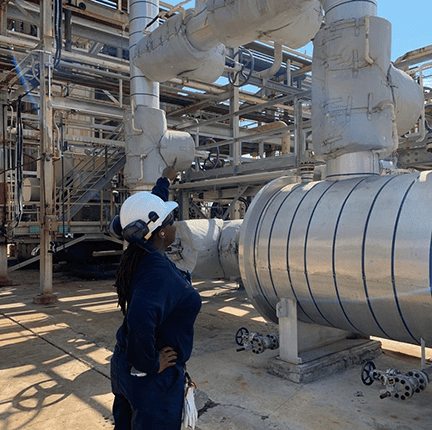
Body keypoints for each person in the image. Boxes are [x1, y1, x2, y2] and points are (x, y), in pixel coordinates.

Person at [110, 163, 202, 430]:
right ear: (161, 232)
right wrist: (149, 364)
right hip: (150, 382)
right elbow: (140, 316)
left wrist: (164, 181)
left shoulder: (139, 253)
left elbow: (148, 212)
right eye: (171, 221)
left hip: (125, 368)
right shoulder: (158, 272)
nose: (175, 225)